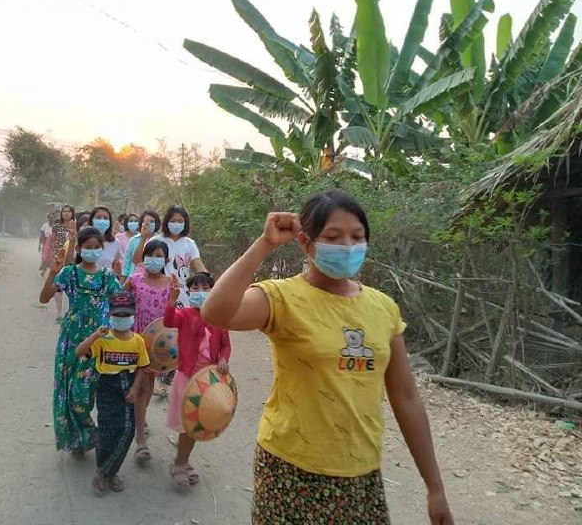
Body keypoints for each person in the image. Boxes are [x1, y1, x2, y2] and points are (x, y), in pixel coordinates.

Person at [201, 190, 453, 524]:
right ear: (305, 242)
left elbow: (406, 397)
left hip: (361, 471)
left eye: (357, 236)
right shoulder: (282, 297)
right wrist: (264, 244)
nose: (348, 246)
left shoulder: (384, 308)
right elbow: (215, 312)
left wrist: (434, 486)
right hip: (290, 469)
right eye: (333, 237)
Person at [39, 226, 122, 459]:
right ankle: (78, 437)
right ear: (79, 249)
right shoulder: (69, 274)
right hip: (71, 338)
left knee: (85, 391)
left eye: (97, 248)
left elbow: (121, 302)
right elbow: (44, 298)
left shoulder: (106, 276)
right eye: (88, 248)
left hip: (99, 339)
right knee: (70, 390)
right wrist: (52, 273)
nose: (92, 251)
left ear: (102, 249)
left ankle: (91, 433)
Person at [76, 291, 149, 494]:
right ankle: (106, 472)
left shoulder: (138, 341)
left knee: (127, 429)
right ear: (110, 314)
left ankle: (107, 471)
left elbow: (143, 366)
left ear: (133, 315)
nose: (122, 319)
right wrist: (94, 336)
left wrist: (135, 388)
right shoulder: (102, 339)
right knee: (107, 432)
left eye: (126, 315)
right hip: (107, 386)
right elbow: (79, 352)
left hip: (128, 386)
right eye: (118, 315)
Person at [164, 271, 231, 489]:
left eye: (205, 289)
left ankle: (182, 460)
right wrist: (172, 300)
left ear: (213, 291)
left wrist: (223, 359)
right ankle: (180, 464)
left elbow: (225, 345)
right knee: (188, 426)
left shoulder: (219, 319)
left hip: (207, 382)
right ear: (188, 291)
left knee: (196, 425)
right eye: (195, 288)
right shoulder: (184, 315)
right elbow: (168, 320)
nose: (200, 293)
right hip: (187, 379)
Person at [122, 238, 171, 465]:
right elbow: (119, 301)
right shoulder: (135, 280)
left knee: (148, 386)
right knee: (137, 385)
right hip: (134, 339)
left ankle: (139, 420)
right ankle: (140, 438)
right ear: (144, 259)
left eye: (160, 255)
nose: (155, 259)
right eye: (151, 255)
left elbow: (171, 316)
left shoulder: (171, 283)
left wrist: (175, 299)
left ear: (165, 259)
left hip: (156, 344)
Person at [137, 205, 206, 307]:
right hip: (158, 290)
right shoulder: (156, 241)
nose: (176, 224)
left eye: (180, 221)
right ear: (167, 222)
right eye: (173, 221)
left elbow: (198, 265)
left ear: (185, 223)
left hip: (182, 292)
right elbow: (140, 263)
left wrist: (211, 283)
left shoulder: (189, 243)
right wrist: (143, 239)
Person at [43, 205, 75, 320]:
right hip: (58, 259)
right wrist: (47, 257)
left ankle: (70, 311)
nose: (66, 213)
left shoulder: (76, 226)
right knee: (58, 286)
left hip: (72, 259)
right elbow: (51, 242)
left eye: (69, 211)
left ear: (73, 213)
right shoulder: (57, 226)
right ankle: (59, 313)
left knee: (72, 286)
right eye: (64, 211)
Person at [123, 210, 161, 279]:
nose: (149, 224)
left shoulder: (160, 240)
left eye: (152, 222)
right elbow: (127, 265)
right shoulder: (133, 240)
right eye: (146, 221)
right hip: (135, 279)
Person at [89, 206, 124, 275]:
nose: (102, 221)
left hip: (106, 281)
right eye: (98, 217)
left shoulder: (115, 242)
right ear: (91, 220)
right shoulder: (84, 240)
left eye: (105, 218)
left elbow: (119, 262)